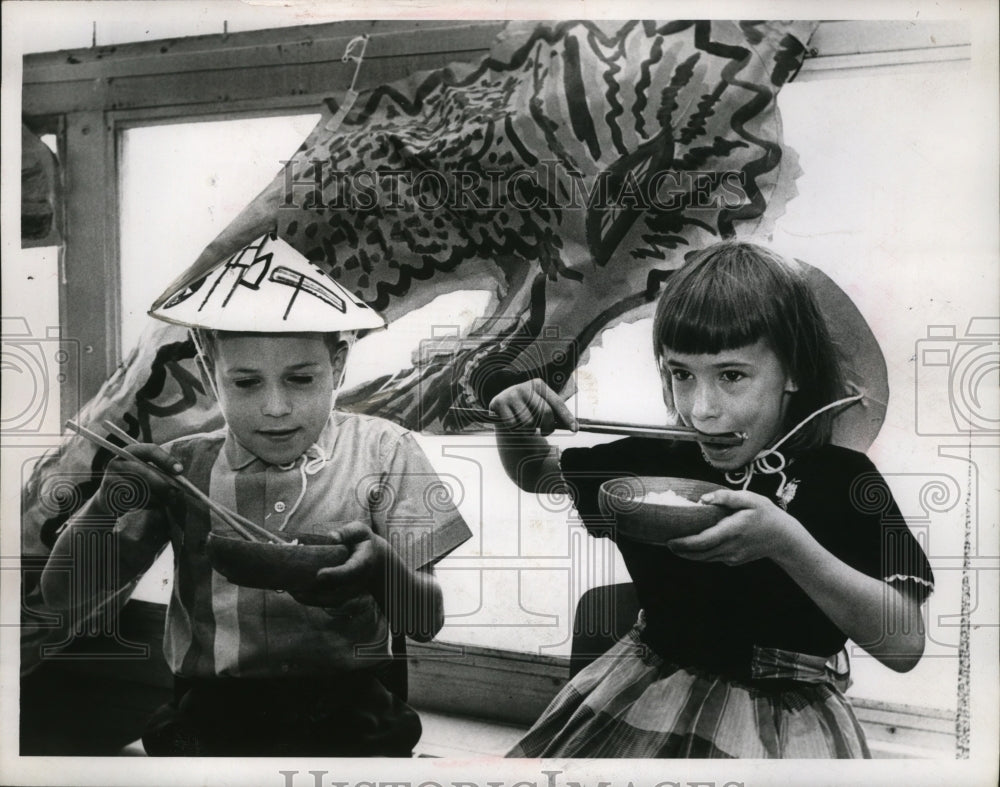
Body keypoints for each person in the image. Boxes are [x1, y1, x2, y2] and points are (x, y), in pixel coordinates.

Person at [491, 241, 934, 758]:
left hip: (786, 726)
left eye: (731, 376)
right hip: (638, 695)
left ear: (794, 372)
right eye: (682, 375)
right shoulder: (658, 460)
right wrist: (514, 421)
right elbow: (534, 473)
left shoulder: (847, 480)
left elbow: (905, 646)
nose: (702, 411)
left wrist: (786, 542)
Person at [41, 232, 471, 756]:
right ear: (208, 364)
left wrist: (382, 568)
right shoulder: (180, 468)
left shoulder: (386, 453)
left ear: (337, 364)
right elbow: (62, 599)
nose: (275, 407)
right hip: (210, 714)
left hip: (355, 714)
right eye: (246, 383)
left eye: (301, 379)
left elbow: (426, 621)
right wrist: (108, 503)